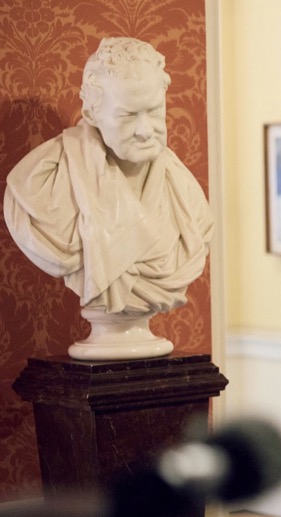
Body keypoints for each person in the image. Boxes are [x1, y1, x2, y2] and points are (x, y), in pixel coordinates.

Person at [3, 37, 212, 319]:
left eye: (154, 112)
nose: (145, 130)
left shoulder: (186, 194)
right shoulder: (40, 187)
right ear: (92, 114)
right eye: (127, 115)